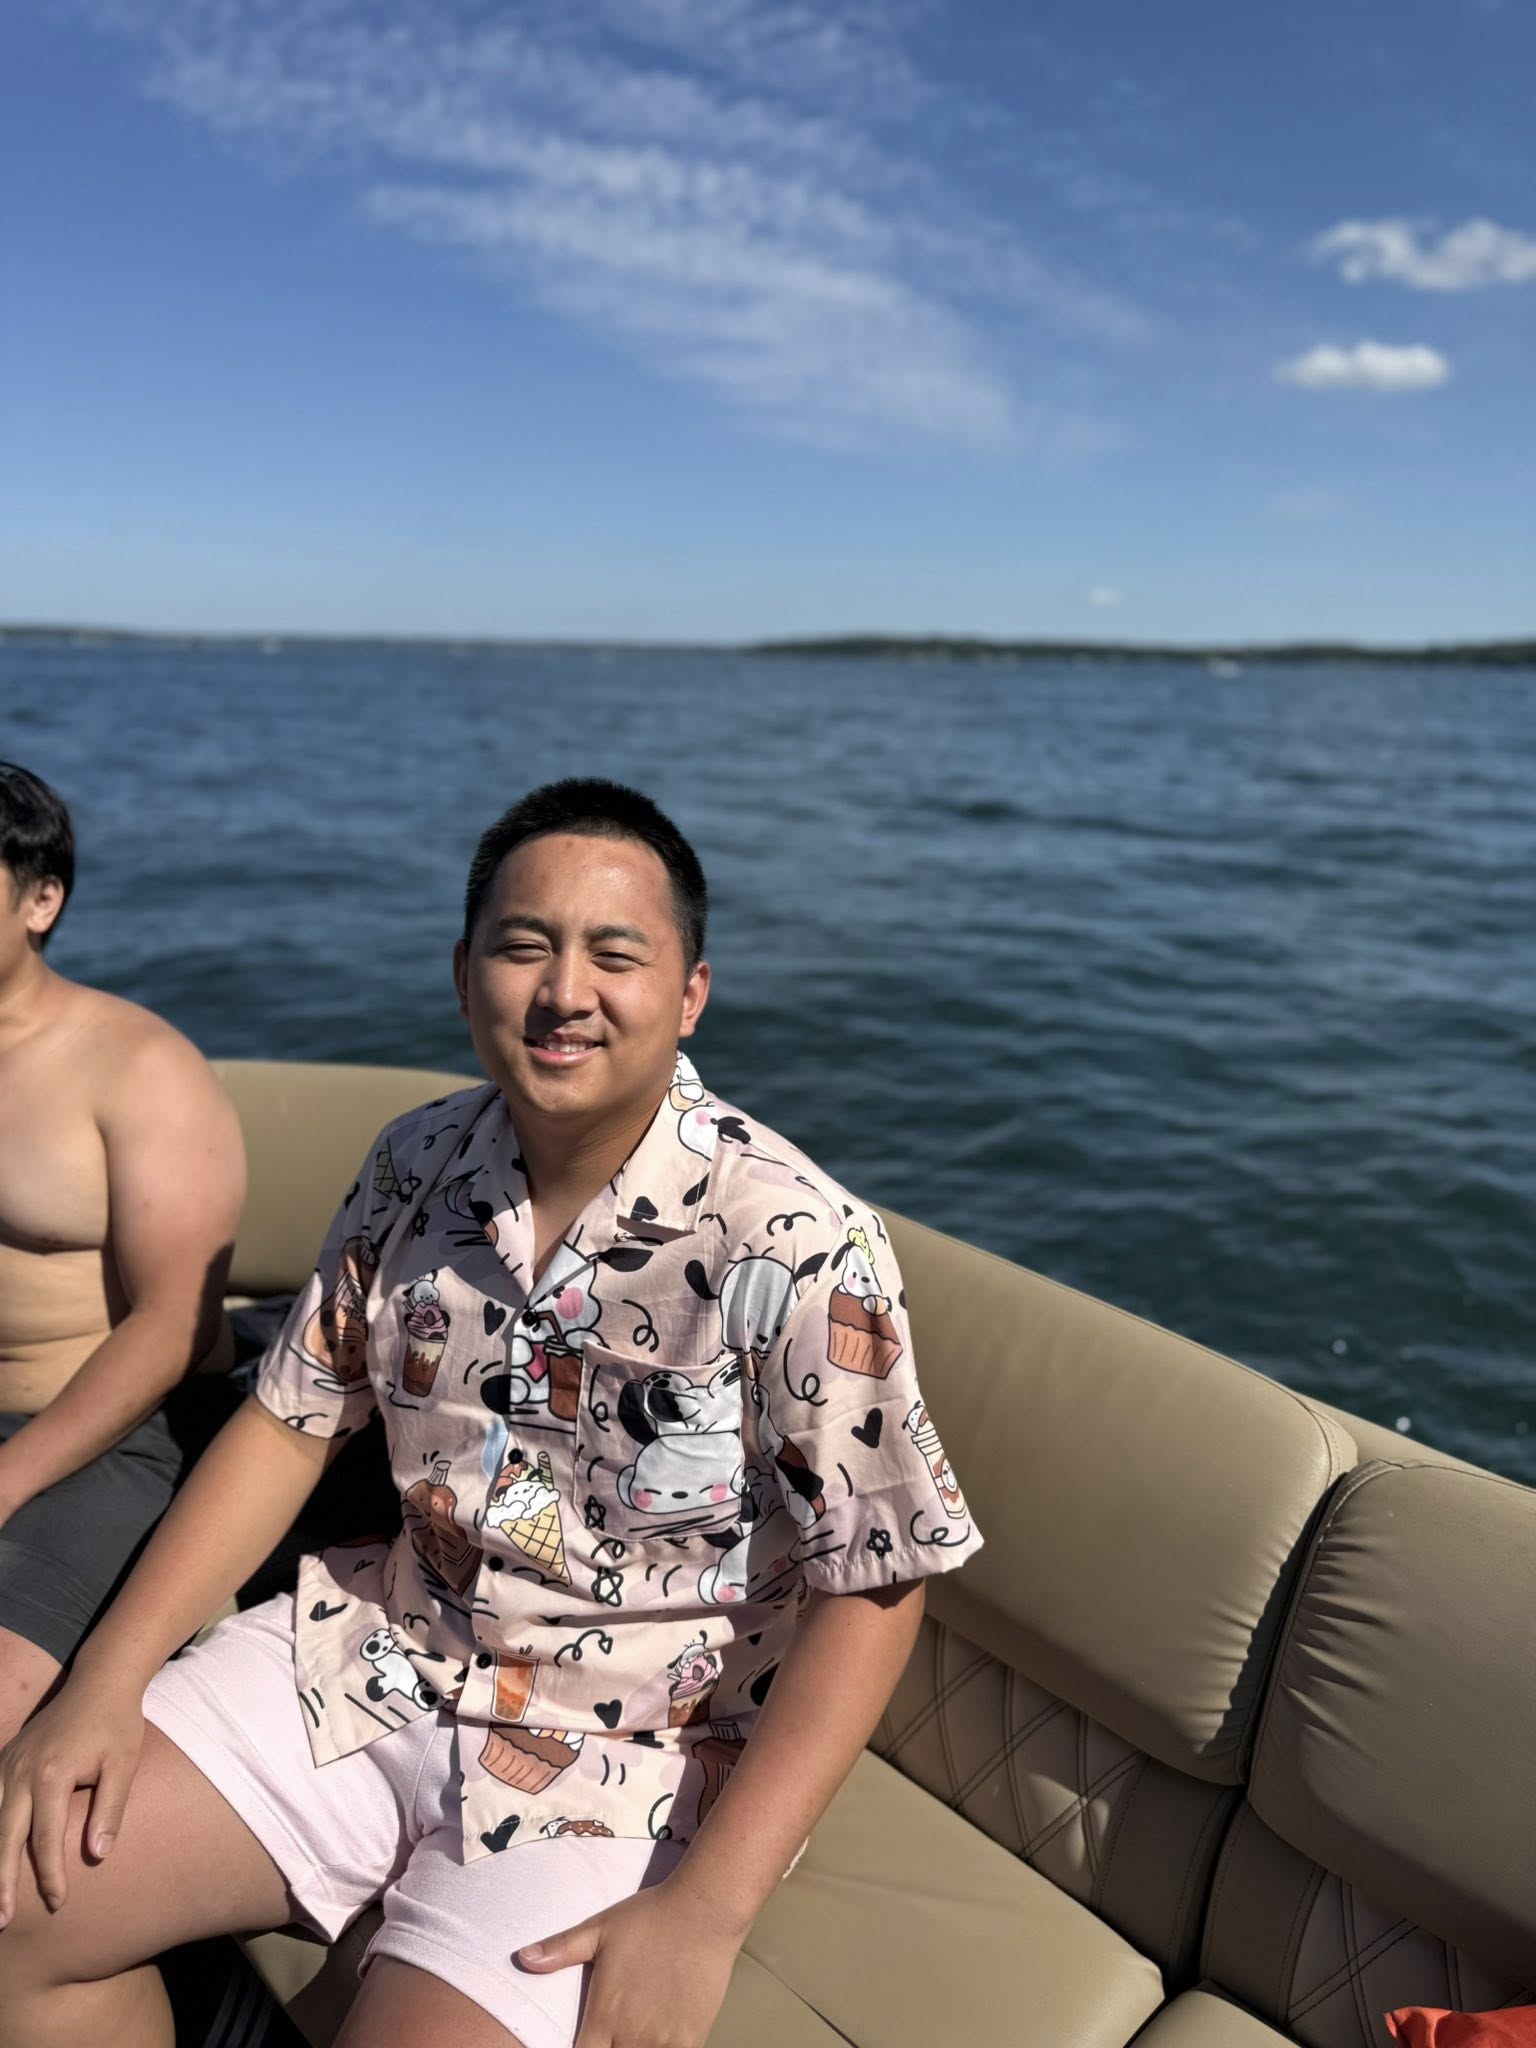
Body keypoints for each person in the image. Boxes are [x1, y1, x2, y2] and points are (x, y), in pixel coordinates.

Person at [0, 777, 982, 2048]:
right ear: (465, 973)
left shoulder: (795, 1242)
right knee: (18, 1909)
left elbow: (880, 1578)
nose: (565, 990)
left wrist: (709, 1909)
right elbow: (289, 1418)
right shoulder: (417, 1164)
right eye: (525, 946)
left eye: (615, 954)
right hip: (379, 1645)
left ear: (690, 993)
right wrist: (106, 1679)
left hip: (632, 1751)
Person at [0, 762, 245, 1744]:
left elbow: (174, 1322)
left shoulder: (136, 1066)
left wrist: (11, 1475)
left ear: (41, 897)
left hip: (101, 1433)